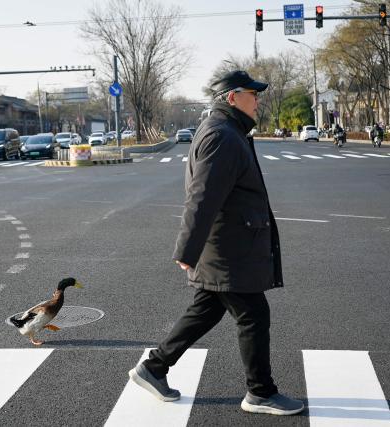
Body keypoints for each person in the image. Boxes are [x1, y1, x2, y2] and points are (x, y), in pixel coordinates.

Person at [128, 70, 304, 416]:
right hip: (227, 248)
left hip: (228, 244)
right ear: (232, 97)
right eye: (253, 94)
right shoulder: (223, 135)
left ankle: (155, 367)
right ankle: (260, 392)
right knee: (253, 314)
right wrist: (186, 249)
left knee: (207, 309)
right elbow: (202, 197)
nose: (258, 100)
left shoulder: (228, 131)